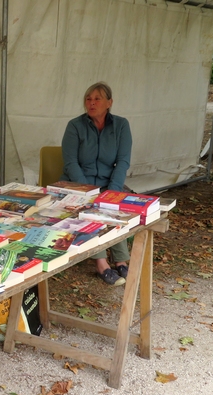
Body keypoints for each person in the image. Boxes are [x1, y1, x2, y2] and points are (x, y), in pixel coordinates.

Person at [60, 82, 132, 286]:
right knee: (92, 208)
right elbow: (71, 162)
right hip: (78, 182)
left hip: (108, 182)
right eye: (88, 99)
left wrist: (113, 191)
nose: (91, 103)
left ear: (109, 102)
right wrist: (89, 191)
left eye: (97, 99)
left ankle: (120, 259)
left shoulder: (121, 125)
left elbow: (123, 161)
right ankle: (101, 262)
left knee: (115, 205)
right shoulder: (75, 126)